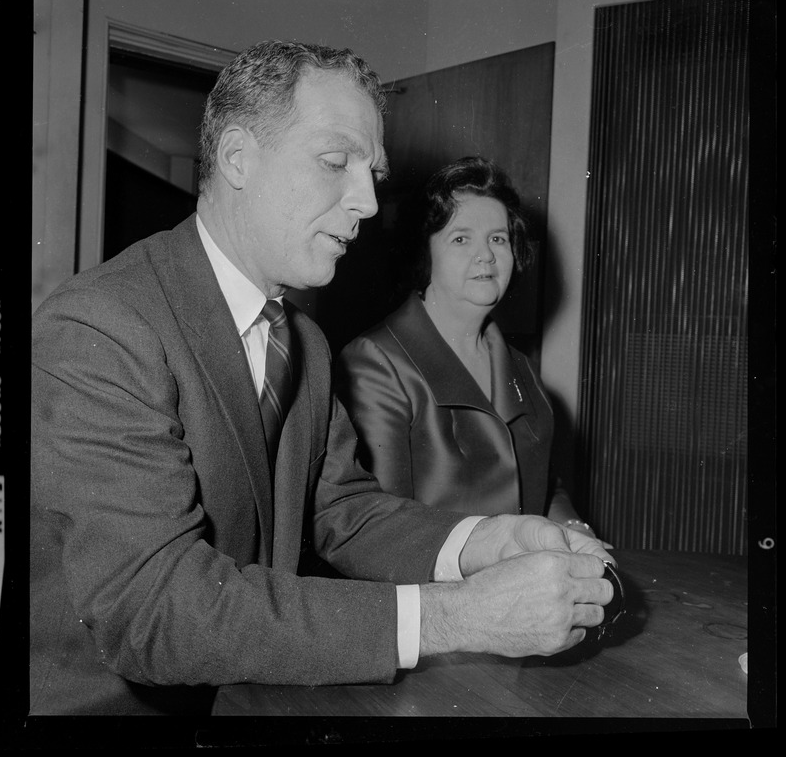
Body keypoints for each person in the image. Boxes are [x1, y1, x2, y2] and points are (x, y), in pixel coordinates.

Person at [30, 40, 615, 717]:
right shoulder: (101, 325)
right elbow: (156, 613)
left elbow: (343, 511)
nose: (367, 202)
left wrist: (488, 541)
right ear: (238, 158)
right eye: (336, 162)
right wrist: (454, 616)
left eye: (372, 172)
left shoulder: (300, 340)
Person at [334, 157, 609, 544]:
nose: (487, 255)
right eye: (461, 238)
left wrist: (576, 534)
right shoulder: (375, 363)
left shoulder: (523, 369)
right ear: (424, 253)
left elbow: (542, 481)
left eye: (498, 238)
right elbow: (381, 530)